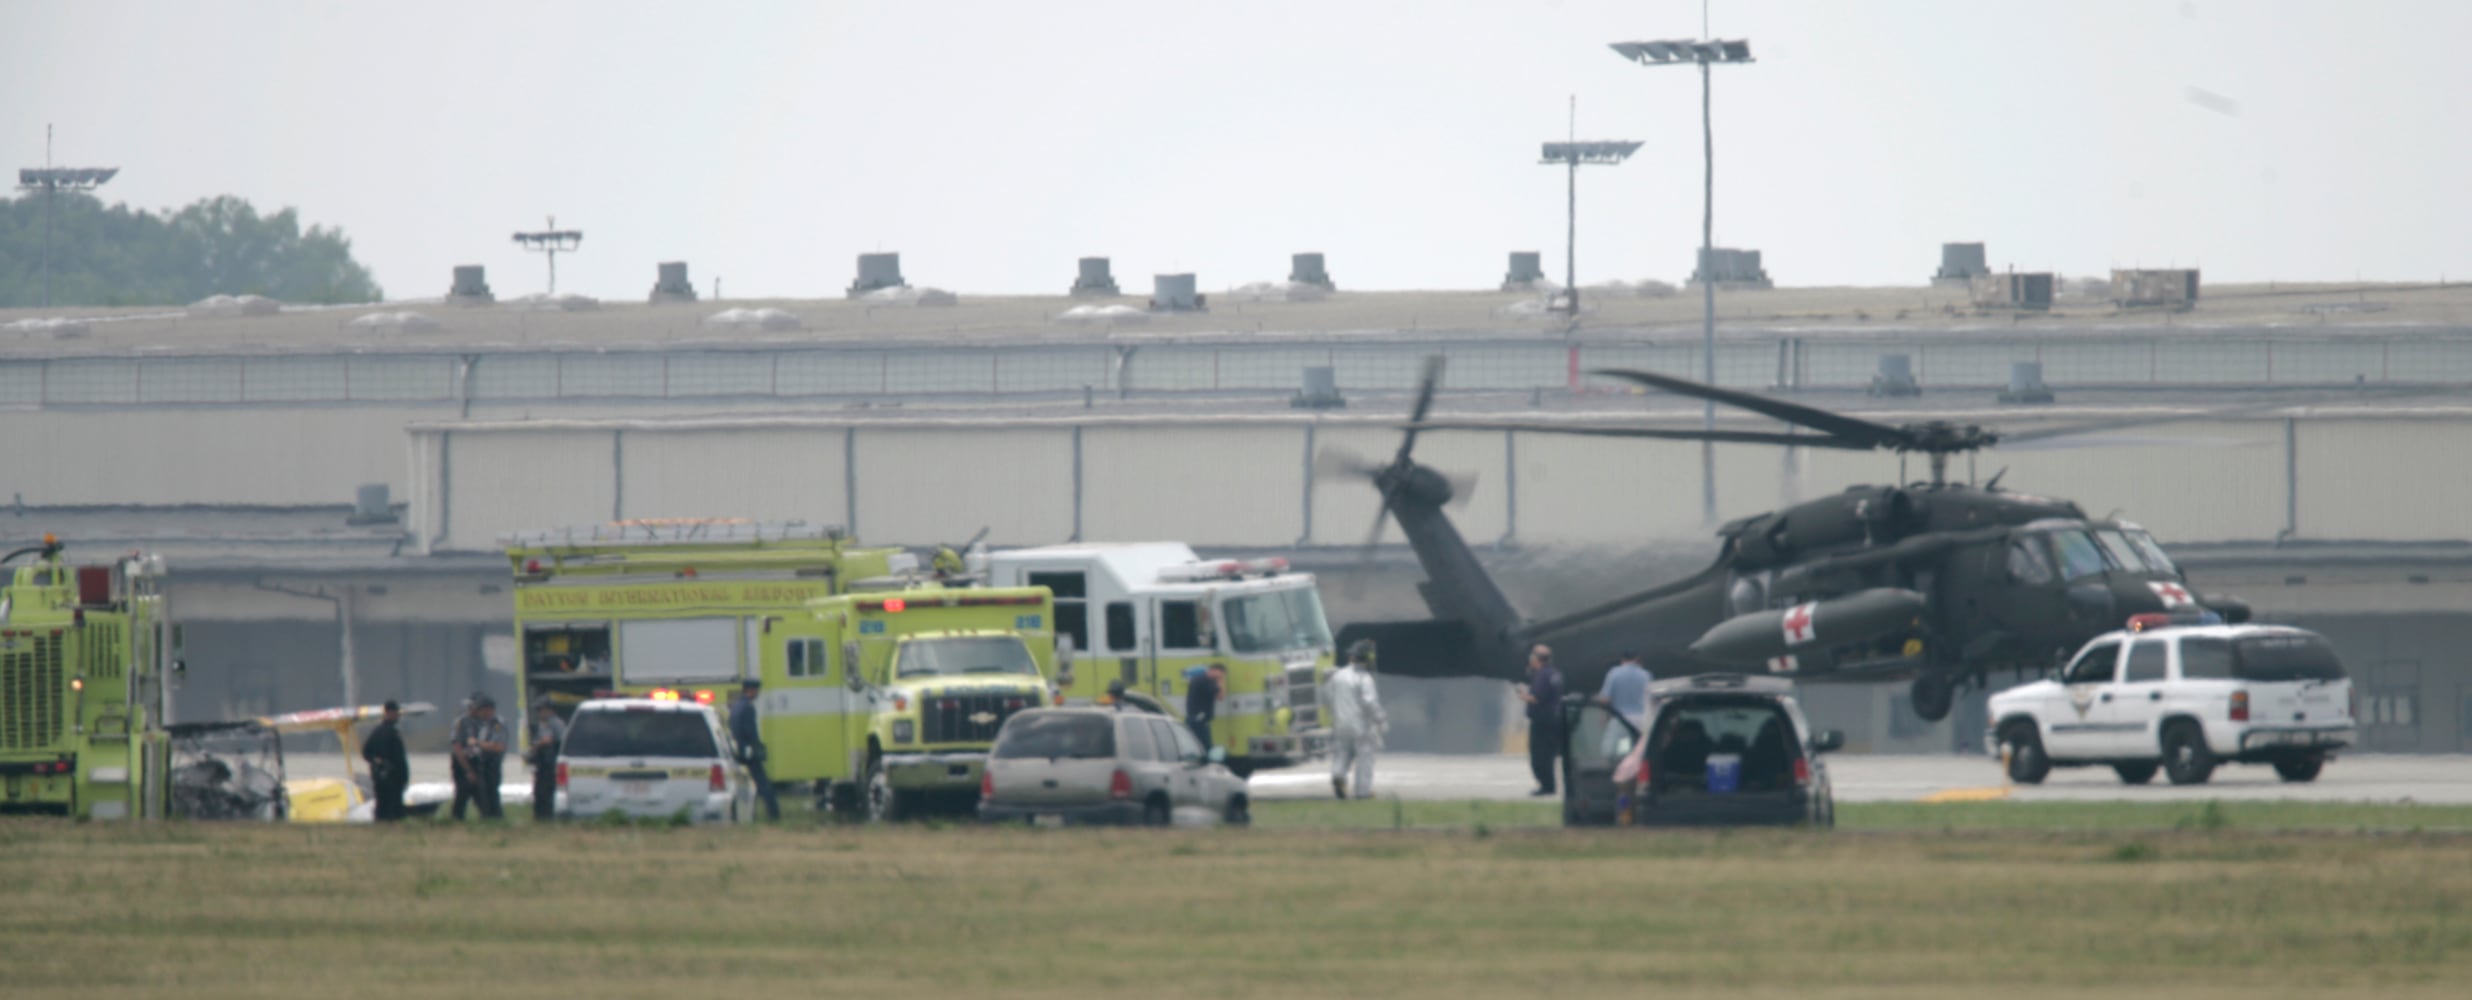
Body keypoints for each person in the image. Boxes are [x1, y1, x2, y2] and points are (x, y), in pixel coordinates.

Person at [1325, 640, 1389, 800]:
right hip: (1360, 726)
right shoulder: (1364, 678)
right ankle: (1362, 792)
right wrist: (1380, 718)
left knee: (1342, 753)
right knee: (1365, 758)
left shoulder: (1337, 676)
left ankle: (1338, 775)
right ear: (1367, 658)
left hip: (1340, 723)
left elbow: (1327, 697)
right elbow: (1369, 702)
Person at [1515, 644, 1564, 796]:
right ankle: (1549, 785)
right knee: (1548, 755)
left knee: (1540, 756)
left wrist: (1523, 696)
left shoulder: (1542, 675)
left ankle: (1546, 786)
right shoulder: (1554, 673)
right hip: (1552, 719)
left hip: (1542, 721)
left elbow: (1537, 698)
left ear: (1537, 659)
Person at [450, 694, 508, 820]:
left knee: (489, 793)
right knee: (464, 793)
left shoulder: (495, 724)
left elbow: (499, 746)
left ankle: (492, 817)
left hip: (488, 762)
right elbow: (458, 747)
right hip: (467, 761)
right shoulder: (462, 722)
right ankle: (459, 818)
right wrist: (467, 769)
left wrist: (478, 743)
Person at [731, 680, 779, 821]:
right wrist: (757, 747)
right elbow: (750, 731)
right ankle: (774, 813)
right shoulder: (748, 708)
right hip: (749, 752)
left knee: (742, 784)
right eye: (756, 690)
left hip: (739, 752)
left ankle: (743, 814)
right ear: (750, 690)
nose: (757, 693)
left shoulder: (736, 707)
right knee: (762, 783)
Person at [362, 699, 409, 822]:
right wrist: (379, 762)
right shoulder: (390, 733)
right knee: (393, 809)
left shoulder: (377, 731)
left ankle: (382, 827)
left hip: (381, 777)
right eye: (395, 712)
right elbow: (399, 758)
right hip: (391, 777)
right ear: (388, 712)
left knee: (382, 808)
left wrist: (375, 761)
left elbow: (366, 753)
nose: (397, 715)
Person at [1597, 650, 1655, 735]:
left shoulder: (1613, 673)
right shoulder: (1646, 675)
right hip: (1642, 721)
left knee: (1613, 747)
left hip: (1620, 722)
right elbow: (1652, 699)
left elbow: (1605, 700)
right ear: (1637, 659)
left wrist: (1605, 717)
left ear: (1622, 660)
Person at [527, 697, 566, 821]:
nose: (538, 713)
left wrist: (538, 745)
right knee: (539, 791)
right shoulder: (542, 724)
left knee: (547, 791)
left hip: (551, 763)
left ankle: (547, 816)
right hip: (542, 763)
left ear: (549, 709)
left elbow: (550, 740)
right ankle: (540, 816)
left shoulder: (556, 723)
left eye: (540, 709)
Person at [1184, 662, 1226, 752]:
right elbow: (1221, 696)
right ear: (1215, 671)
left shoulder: (1198, 679)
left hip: (1195, 717)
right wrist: (1220, 681)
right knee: (1205, 745)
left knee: (1197, 744)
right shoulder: (1207, 681)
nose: (1221, 676)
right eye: (1221, 674)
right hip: (1199, 719)